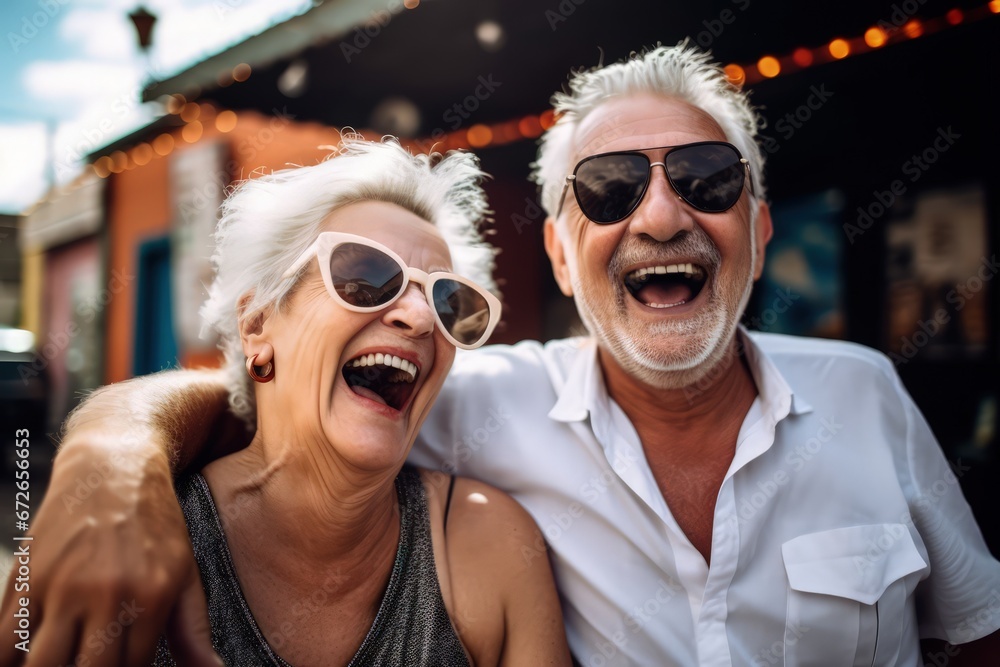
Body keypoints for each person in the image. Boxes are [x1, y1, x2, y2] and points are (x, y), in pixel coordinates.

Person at [4, 43, 999, 666]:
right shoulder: (475, 403)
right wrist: (110, 459)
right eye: (608, 188)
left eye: (705, 178)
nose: (662, 212)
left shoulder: (864, 393)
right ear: (561, 256)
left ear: (759, 224)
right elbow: (265, 404)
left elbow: (974, 633)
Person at [3, 139, 572, 666]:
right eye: (366, 274)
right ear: (257, 324)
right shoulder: (131, 535)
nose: (421, 317)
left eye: (449, 301)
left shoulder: (485, 542)